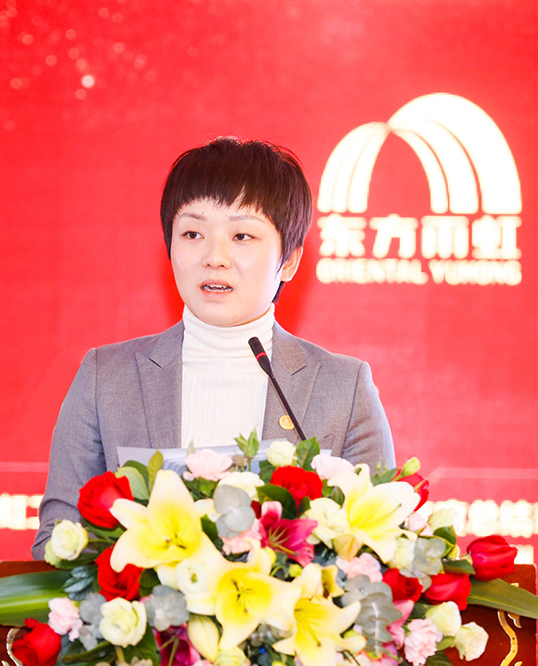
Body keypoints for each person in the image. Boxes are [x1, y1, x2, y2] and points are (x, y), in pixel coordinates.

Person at [32, 137, 394, 558]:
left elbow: (381, 545)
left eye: (242, 235)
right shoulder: (107, 378)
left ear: (290, 260)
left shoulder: (343, 388)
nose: (215, 257)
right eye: (192, 233)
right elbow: (56, 542)